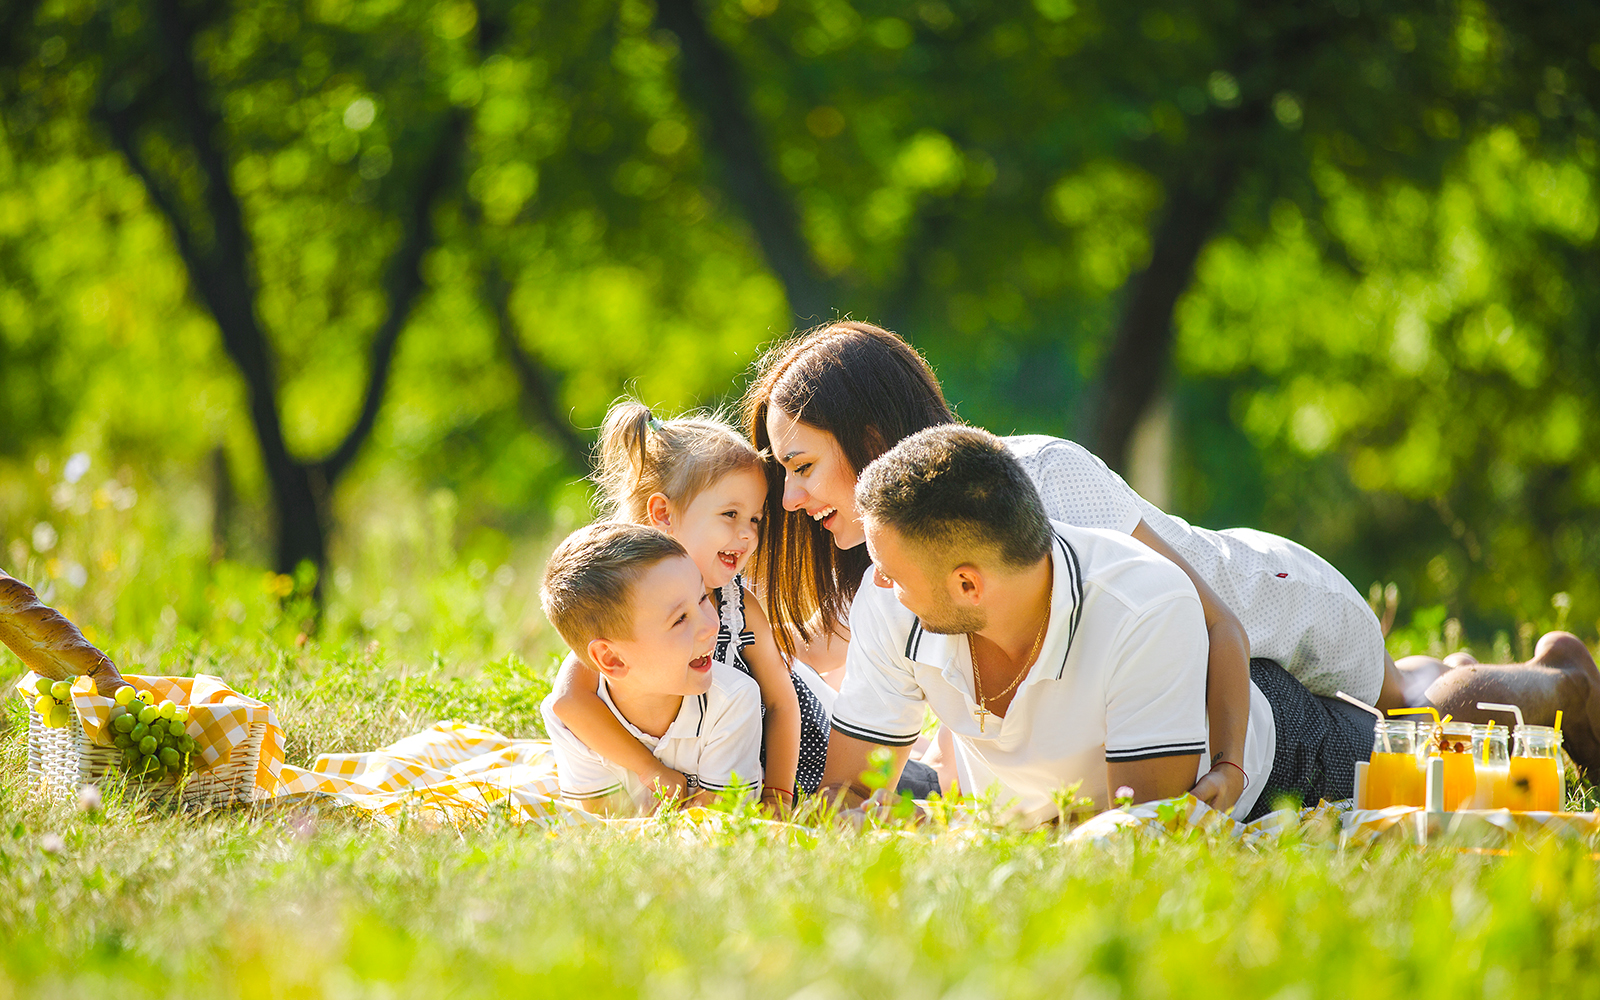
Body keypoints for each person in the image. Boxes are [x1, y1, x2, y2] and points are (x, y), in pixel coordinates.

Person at [823, 425, 1600, 822]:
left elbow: (1140, 828)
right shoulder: (901, 597)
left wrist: (1225, 768)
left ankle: (1564, 682)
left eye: (890, 568)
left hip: (1275, 666)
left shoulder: (1134, 596)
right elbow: (851, 790)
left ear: (967, 582)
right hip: (1178, 676)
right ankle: (1460, 665)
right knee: (1421, 702)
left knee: (1440, 745)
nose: (877, 582)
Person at [545, 401, 826, 809]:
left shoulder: (738, 608)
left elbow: (783, 703)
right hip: (687, 768)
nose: (747, 534)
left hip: (782, 762)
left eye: (754, 519)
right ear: (663, 514)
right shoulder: (625, 602)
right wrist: (648, 769)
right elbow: (570, 700)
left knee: (912, 786)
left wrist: (779, 793)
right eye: (730, 514)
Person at [539, 522, 763, 815]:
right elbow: (603, 827)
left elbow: (719, 823)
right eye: (680, 619)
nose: (711, 627)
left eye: (702, 598)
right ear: (612, 660)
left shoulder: (732, 700)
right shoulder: (571, 724)